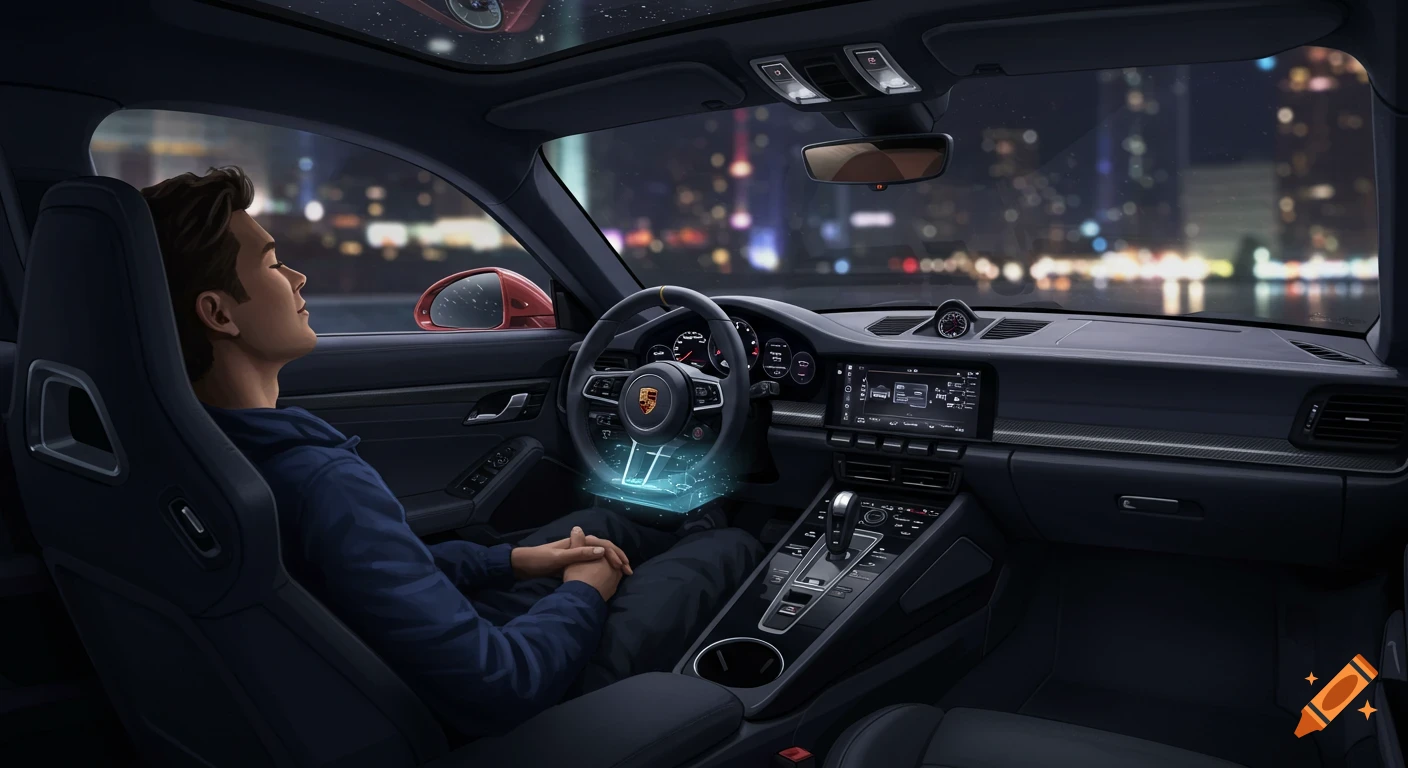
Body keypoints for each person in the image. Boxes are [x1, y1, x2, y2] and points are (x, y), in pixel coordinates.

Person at [141, 167, 762, 739]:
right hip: (487, 711)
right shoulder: (318, 479)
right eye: (274, 265)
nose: (298, 278)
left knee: (603, 525)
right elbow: (502, 686)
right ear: (218, 313)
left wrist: (514, 562)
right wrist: (584, 592)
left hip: (379, 672)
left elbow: (367, 576)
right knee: (728, 549)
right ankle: (715, 536)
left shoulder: (194, 451)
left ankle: (690, 525)